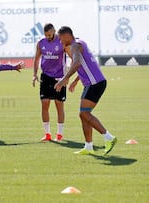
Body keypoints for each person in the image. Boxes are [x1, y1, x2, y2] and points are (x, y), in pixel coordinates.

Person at [54, 26, 117, 155]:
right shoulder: (80, 42)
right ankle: (88, 146)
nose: (60, 42)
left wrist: (64, 79)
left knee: (84, 114)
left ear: (67, 35)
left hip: (95, 83)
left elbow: (76, 63)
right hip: (93, 83)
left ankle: (109, 137)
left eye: (60, 39)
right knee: (83, 114)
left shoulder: (75, 46)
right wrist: (76, 81)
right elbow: (83, 64)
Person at [32, 23, 69, 142]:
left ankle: (59, 134)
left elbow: (70, 57)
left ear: (54, 31)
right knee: (45, 104)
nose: (48, 37)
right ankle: (47, 134)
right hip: (46, 77)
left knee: (59, 105)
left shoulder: (61, 41)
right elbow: (36, 59)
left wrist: (67, 76)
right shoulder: (41, 43)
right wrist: (34, 74)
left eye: (49, 34)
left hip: (59, 77)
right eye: (46, 35)